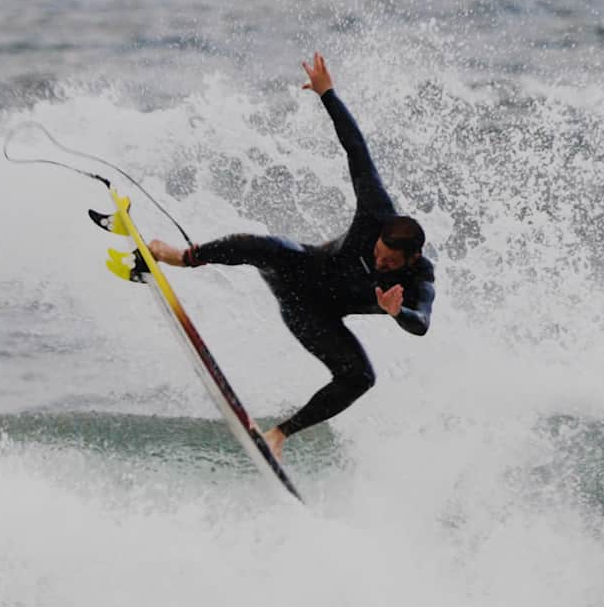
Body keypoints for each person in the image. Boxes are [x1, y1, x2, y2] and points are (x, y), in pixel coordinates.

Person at [149, 53, 434, 459]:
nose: (380, 262)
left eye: (390, 262)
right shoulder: (377, 211)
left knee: (361, 377)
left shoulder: (418, 280)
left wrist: (396, 313)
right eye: (379, 253)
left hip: (314, 317)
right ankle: (183, 256)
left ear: (411, 258)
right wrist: (327, 94)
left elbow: (421, 323)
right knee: (271, 246)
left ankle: (279, 435)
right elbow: (357, 149)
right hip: (296, 272)